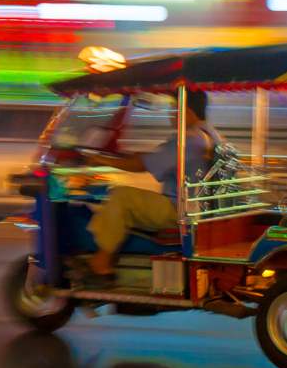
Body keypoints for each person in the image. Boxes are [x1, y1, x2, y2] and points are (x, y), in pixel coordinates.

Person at [81, 91, 223, 284]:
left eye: (174, 109)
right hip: (197, 208)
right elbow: (154, 157)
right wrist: (130, 156)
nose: (170, 115)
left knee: (122, 196)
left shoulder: (188, 139)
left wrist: (99, 159)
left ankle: (101, 263)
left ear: (187, 111)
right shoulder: (208, 134)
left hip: (179, 210)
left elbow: (141, 165)